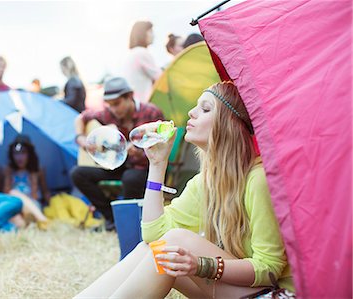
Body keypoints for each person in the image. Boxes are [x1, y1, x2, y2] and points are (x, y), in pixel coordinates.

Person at [75, 81, 294, 298]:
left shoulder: (258, 180)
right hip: (233, 290)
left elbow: (269, 268)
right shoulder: (206, 182)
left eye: (205, 109)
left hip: (271, 294)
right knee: (151, 250)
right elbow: (153, 236)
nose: (191, 112)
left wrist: (201, 265)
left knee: (175, 242)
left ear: (229, 124)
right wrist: (158, 164)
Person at [71, 77, 164, 231]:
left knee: (130, 178)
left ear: (130, 96)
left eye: (117, 104)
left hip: (144, 168)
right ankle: (112, 219)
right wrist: (81, 139)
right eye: (110, 105)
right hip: (118, 166)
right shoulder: (109, 114)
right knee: (78, 174)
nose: (113, 109)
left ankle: (128, 224)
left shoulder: (151, 113)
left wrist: (140, 152)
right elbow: (81, 118)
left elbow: (161, 144)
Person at [122, 21, 162, 103]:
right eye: (150, 32)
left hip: (134, 104)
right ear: (142, 34)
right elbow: (161, 78)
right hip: (144, 105)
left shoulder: (130, 54)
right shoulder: (142, 53)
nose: (153, 35)